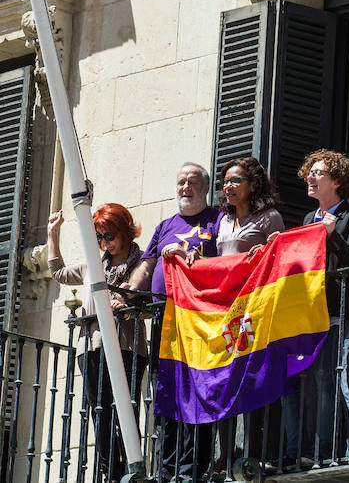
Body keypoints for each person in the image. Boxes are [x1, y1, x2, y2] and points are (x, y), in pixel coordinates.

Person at [127, 162, 222, 480]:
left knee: (199, 393)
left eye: (192, 182)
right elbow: (147, 263)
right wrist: (130, 289)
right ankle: (167, 469)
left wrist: (188, 256)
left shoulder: (218, 220)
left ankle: (192, 468)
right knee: (166, 393)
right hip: (165, 320)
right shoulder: (166, 224)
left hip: (200, 321)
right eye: (181, 182)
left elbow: (225, 264)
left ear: (205, 187)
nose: (185, 187)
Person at [47, 203, 147, 482]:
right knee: (100, 411)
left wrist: (126, 301)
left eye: (109, 236)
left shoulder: (142, 264)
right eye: (99, 237)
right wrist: (52, 234)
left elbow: (151, 303)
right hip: (91, 347)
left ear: (125, 233)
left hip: (128, 347)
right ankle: (110, 473)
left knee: (127, 409)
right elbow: (58, 272)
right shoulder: (93, 263)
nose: (104, 243)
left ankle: (132, 468)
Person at [283, 149, 349, 467]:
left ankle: (329, 450)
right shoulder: (308, 219)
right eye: (310, 172)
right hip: (307, 314)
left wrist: (333, 236)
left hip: (336, 312)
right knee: (303, 383)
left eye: (318, 173)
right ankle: (302, 450)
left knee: (330, 381)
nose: (310, 177)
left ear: (336, 180)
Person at [214, 157, 285, 471]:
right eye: (226, 181)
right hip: (227, 313)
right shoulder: (222, 221)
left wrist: (264, 255)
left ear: (253, 185)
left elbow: (279, 258)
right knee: (226, 381)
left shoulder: (269, 218)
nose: (228, 186)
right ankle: (227, 452)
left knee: (253, 379)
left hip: (255, 311)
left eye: (236, 180)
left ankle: (256, 451)